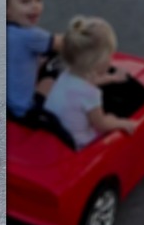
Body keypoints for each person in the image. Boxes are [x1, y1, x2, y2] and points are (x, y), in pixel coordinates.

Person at [44, 16, 136, 149]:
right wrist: (122, 123)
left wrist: (112, 78)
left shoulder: (67, 75)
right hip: (79, 144)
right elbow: (101, 125)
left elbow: (88, 81)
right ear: (98, 62)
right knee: (111, 117)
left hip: (58, 134)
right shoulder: (91, 94)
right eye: (110, 56)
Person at [6, 0, 63, 119]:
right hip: (25, 110)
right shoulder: (30, 36)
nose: (35, 6)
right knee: (54, 68)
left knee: (41, 59)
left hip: (8, 107)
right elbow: (63, 44)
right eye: (26, 1)